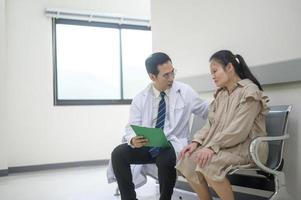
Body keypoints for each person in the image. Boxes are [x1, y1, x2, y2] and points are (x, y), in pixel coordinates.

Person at [110, 52, 208, 200]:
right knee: (118, 154)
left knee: (165, 157)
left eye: (172, 72)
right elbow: (131, 126)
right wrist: (133, 140)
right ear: (152, 77)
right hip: (148, 144)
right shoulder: (140, 98)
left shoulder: (184, 91)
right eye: (166, 75)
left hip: (172, 145)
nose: (171, 78)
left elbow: (207, 110)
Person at [176, 50, 269, 200]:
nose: (212, 76)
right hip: (224, 147)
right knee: (186, 159)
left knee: (207, 163)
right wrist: (196, 142)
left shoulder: (250, 91)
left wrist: (211, 147)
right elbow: (210, 124)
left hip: (246, 148)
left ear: (230, 68)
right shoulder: (222, 94)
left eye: (215, 71)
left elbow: (238, 130)